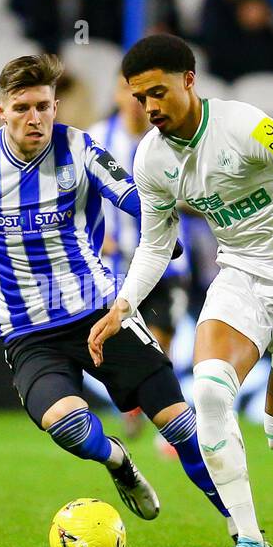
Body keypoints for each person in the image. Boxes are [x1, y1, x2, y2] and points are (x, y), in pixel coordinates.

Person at [89, 34, 273, 547]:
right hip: (241, 276)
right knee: (210, 391)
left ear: (189, 81)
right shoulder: (150, 159)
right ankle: (250, 543)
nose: (150, 107)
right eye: (139, 98)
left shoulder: (247, 126)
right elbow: (157, 244)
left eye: (159, 92)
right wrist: (123, 304)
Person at [0, 53, 232, 535]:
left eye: (43, 106)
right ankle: (117, 460)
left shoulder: (81, 149)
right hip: (29, 332)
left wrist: (158, 230)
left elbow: (128, 192)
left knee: (181, 428)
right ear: (1, 111)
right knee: (67, 426)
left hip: (100, 313)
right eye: (22, 107)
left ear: (56, 106)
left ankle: (242, 530)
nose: (35, 118)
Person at [88, 73, 193, 445]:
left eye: (143, 94)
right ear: (117, 95)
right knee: (126, 337)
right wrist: (99, 237)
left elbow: (193, 192)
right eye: (128, 93)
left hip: (169, 263)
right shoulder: (97, 139)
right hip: (118, 266)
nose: (136, 101)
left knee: (161, 340)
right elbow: (77, 194)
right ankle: (137, 408)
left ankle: (162, 414)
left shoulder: (169, 137)